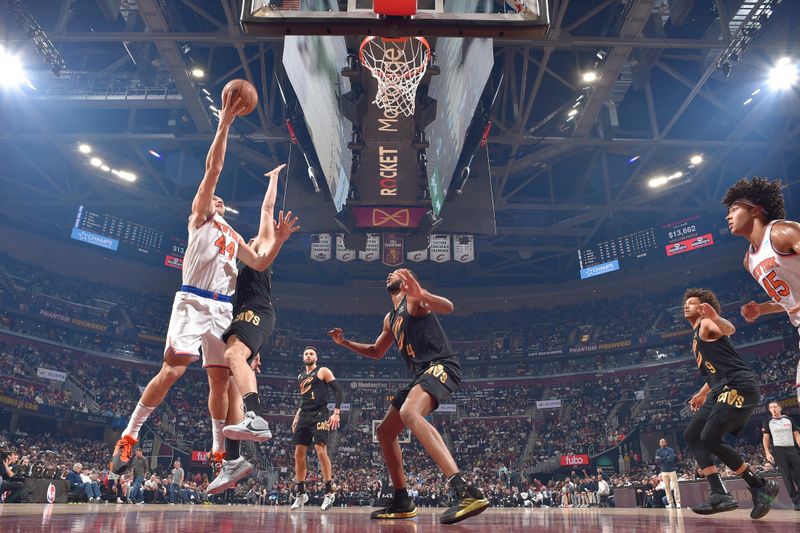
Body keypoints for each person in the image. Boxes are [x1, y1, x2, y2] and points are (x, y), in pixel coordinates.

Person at [109, 92, 288, 475]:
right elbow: (214, 167)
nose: (218, 200)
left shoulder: (234, 235)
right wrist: (224, 123)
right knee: (171, 371)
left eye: (222, 201)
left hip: (224, 308)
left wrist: (280, 240)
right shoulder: (201, 217)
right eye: (213, 198)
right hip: (192, 302)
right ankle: (130, 434)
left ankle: (218, 452)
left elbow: (258, 261)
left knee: (221, 382)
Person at [329, 269, 489, 525]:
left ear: (406, 282)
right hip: (420, 375)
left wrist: (422, 292)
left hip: (441, 364)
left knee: (409, 413)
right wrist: (345, 343)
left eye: (395, 272)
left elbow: (447, 306)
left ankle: (464, 490)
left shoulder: (414, 301)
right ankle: (402, 499)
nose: (388, 274)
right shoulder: (389, 318)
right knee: (385, 432)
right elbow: (376, 351)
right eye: (388, 273)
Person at [206, 166, 300, 495]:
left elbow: (266, 210)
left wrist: (272, 179)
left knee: (233, 354)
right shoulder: (234, 255)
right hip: (240, 317)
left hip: (257, 311)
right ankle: (233, 460)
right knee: (231, 381)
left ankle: (257, 416)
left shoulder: (259, 247)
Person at [681, 288, 778, 518]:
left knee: (709, 437)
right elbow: (715, 372)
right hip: (719, 387)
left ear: (703, 307)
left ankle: (758, 485)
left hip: (738, 385)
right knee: (693, 434)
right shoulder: (695, 336)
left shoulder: (706, 324)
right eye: (685, 303)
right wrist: (701, 393)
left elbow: (729, 329)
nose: (687, 305)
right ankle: (719, 493)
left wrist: (715, 317)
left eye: (692, 302)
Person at [722, 177, 800, 407]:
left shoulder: (782, 231)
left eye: (734, 209)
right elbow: (790, 300)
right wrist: (764, 308)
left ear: (755, 209)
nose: (728, 216)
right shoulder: (749, 260)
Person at [288, 346, 343, 511]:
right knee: (298, 454)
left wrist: (336, 413)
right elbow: (303, 398)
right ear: (302, 357)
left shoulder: (323, 371)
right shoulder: (300, 376)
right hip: (304, 415)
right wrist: (297, 416)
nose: (308, 355)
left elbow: (339, 390)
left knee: (320, 450)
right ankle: (301, 493)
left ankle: (328, 492)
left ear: (316, 357)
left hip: (320, 414)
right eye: (306, 353)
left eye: (311, 353)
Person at [762, 400, 800, 510]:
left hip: (792, 449)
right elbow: (766, 438)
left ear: (780, 408)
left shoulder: (788, 419)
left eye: (775, 407)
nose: (773, 409)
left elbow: (796, 435)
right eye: (771, 407)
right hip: (778, 452)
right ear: (769, 410)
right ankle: (796, 502)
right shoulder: (768, 422)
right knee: (787, 477)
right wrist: (767, 452)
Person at [655, 438, 681, 508]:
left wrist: (662, 458)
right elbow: (657, 461)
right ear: (659, 443)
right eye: (661, 442)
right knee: (667, 488)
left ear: (666, 442)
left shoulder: (670, 450)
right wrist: (666, 457)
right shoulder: (658, 451)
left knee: (675, 486)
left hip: (672, 470)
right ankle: (671, 503)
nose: (662, 443)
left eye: (663, 442)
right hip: (664, 471)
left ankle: (678, 502)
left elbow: (671, 459)